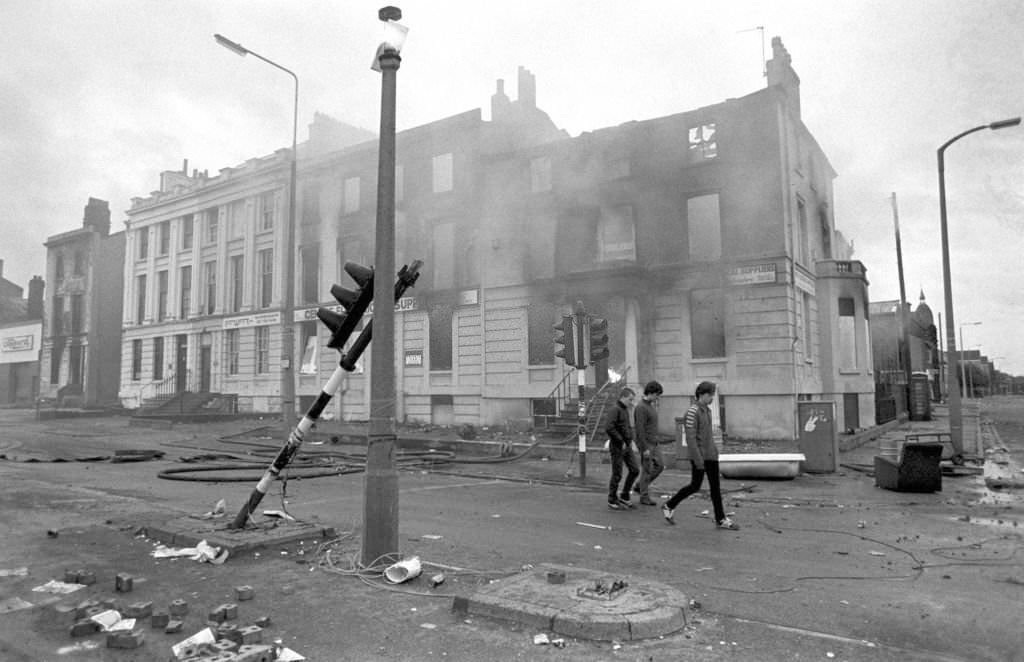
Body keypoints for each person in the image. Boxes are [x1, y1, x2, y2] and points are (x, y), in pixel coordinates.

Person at [661, 381, 739, 530]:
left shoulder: (707, 411)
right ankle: (669, 505)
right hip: (700, 458)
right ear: (702, 394)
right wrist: (698, 461)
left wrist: (715, 451)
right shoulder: (692, 412)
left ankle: (720, 519)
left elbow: (708, 435)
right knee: (694, 486)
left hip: (710, 456)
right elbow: (691, 439)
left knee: (715, 488)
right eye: (711, 395)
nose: (712, 399)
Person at [604, 386, 639, 510]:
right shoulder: (615, 410)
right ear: (623, 397)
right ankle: (612, 498)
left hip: (626, 445)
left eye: (632, 400)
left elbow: (626, 427)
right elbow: (609, 427)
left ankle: (624, 495)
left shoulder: (624, 410)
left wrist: (630, 441)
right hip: (618, 446)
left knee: (635, 469)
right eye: (630, 399)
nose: (631, 402)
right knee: (617, 473)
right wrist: (620, 440)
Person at [633, 380, 665, 505]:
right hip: (647, 443)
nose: (658, 397)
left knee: (660, 466)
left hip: (654, 442)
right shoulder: (641, 407)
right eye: (657, 395)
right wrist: (644, 447)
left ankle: (640, 486)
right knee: (646, 469)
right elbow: (639, 429)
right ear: (651, 393)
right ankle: (644, 496)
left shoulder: (650, 406)